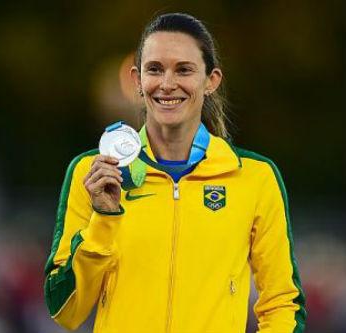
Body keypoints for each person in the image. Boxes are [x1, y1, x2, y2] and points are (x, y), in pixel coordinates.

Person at [43, 13, 306, 333]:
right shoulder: (96, 172)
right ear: (137, 80)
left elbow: (282, 302)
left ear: (211, 81)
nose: (167, 84)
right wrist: (103, 219)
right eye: (155, 69)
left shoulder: (254, 178)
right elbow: (65, 311)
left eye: (183, 69)